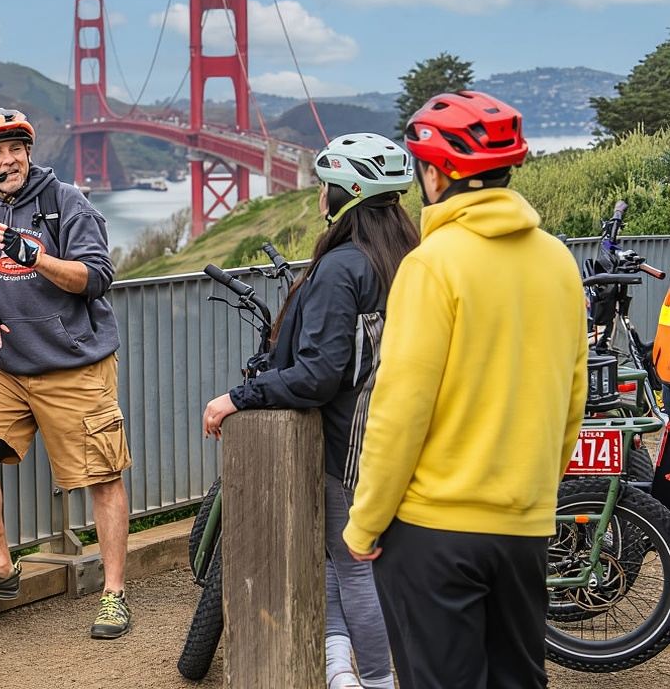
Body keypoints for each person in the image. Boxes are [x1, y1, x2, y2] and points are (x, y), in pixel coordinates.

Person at [342, 92, 589, 688]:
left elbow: (399, 411)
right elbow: (571, 400)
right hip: (524, 527)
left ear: (434, 173)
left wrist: (364, 522)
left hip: (435, 532)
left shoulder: (433, 265)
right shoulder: (558, 261)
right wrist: (536, 494)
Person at [202, 132, 418, 689]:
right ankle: (339, 668)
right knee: (337, 555)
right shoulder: (407, 258)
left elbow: (319, 374)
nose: (318, 194)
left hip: (348, 446)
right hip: (396, 437)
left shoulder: (342, 268)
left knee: (352, 564)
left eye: (324, 185)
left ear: (345, 193)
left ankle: (374, 680)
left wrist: (237, 398)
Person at [0, 107, 133, 639]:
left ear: (29, 151)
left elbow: (96, 277)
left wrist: (37, 257)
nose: (8, 160)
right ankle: (1, 567)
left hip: (74, 365)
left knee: (103, 476)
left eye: (15, 149)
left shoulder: (64, 201)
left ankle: (113, 593)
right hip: (7, 366)